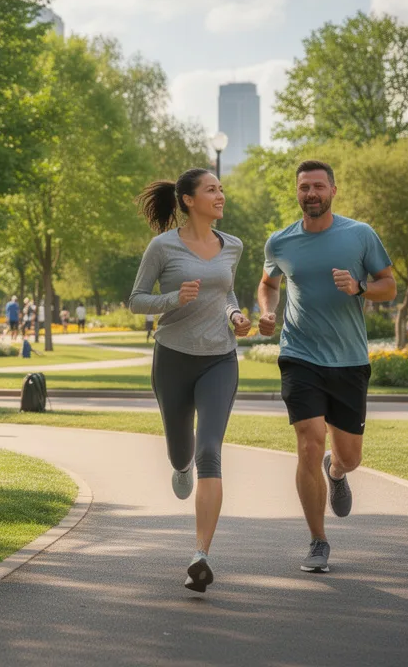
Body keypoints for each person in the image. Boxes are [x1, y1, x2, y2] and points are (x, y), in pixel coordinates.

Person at [256, 160, 396, 574]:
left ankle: (336, 472)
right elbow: (268, 283)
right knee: (308, 440)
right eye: (304, 187)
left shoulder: (359, 235)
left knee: (348, 455)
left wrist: (360, 287)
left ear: (333, 190)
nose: (311, 193)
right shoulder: (280, 242)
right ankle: (318, 540)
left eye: (318, 186)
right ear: (296, 192)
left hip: (350, 360)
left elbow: (389, 284)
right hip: (299, 355)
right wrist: (268, 312)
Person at [130, 168, 252, 593]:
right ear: (188, 200)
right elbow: (136, 300)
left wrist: (235, 315)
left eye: (221, 188)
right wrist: (172, 298)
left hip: (220, 359)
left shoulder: (232, 245)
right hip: (173, 360)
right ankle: (179, 465)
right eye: (212, 189)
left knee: (209, 451)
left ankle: (201, 555)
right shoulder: (162, 246)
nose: (221, 195)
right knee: (181, 452)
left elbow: (227, 292)